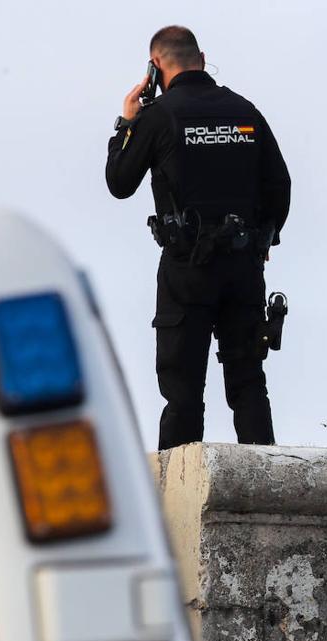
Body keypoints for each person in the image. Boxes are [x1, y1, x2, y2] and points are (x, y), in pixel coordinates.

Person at [106, 25, 291, 450]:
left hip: (186, 270)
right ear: (202, 59)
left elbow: (119, 182)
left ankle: (176, 507)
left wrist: (126, 123)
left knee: (183, 392)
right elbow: (279, 186)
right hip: (243, 267)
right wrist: (262, 242)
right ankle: (265, 487)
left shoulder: (157, 117)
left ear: (155, 67)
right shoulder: (245, 111)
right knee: (248, 384)